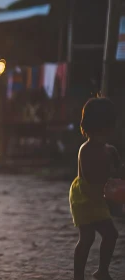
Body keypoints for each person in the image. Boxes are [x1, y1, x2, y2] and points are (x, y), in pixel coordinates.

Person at [70, 98, 120, 280]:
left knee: (111, 234)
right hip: (84, 198)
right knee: (87, 237)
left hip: (99, 198)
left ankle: (102, 270)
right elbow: (91, 177)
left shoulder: (110, 150)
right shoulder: (86, 149)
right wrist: (109, 174)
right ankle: (78, 276)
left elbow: (118, 171)